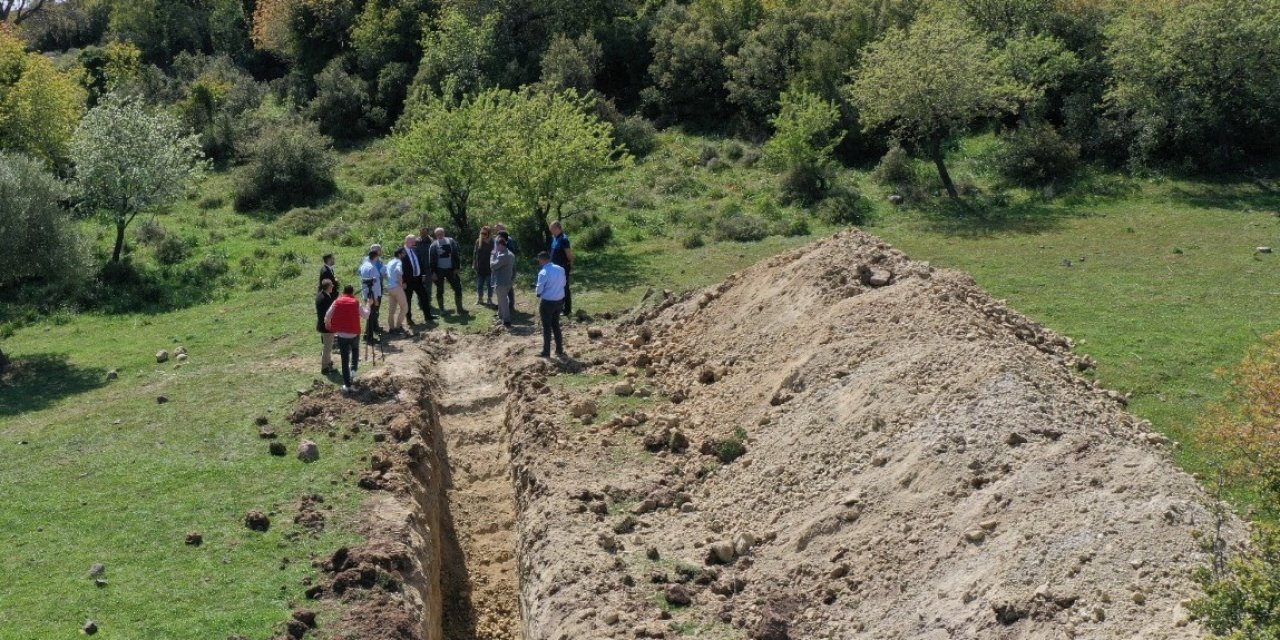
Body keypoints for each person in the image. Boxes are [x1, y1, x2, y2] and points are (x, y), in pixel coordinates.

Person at [324, 284, 370, 392]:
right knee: (355, 351)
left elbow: (328, 315)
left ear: (343, 292)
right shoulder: (355, 302)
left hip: (341, 335)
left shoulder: (337, 301)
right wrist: (368, 304)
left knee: (344, 360)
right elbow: (366, 315)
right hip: (354, 334)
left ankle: (347, 385)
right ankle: (353, 369)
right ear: (352, 292)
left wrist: (327, 324)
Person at [535, 250, 567, 357]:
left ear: (542, 260)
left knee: (547, 327)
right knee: (556, 325)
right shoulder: (560, 269)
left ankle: (546, 351)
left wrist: (538, 294)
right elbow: (563, 283)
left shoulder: (543, 272)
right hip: (559, 301)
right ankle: (559, 349)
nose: (539, 262)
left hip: (548, 302)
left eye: (539, 260)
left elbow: (539, 289)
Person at [429, 227, 465, 315]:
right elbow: (431, 260)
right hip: (439, 271)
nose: (440, 236)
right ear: (435, 235)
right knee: (440, 290)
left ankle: (460, 309)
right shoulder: (433, 245)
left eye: (441, 234)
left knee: (458, 287)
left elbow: (456, 255)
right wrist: (433, 273)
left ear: (444, 233)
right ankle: (442, 310)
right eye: (438, 234)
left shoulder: (451, 242)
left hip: (451, 270)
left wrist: (457, 268)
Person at [549, 221, 575, 316]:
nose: (551, 231)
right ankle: (559, 307)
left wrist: (571, 267)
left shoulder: (564, 239)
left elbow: (569, 255)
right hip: (555, 269)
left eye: (552, 229)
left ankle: (567, 310)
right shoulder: (555, 238)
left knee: (565, 288)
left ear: (557, 228)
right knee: (558, 288)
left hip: (563, 268)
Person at [401, 235, 428, 325]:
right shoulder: (401, 252)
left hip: (418, 279)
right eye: (413, 242)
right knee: (408, 300)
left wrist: (423, 274)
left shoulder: (415, 250)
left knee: (424, 296)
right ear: (407, 241)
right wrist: (403, 281)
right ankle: (409, 319)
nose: (415, 243)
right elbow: (400, 269)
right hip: (408, 281)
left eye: (414, 241)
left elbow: (420, 262)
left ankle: (428, 316)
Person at [359, 246, 383, 343]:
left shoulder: (363, 266)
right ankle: (369, 337)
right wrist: (376, 298)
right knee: (372, 315)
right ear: (376, 257)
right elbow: (375, 285)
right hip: (372, 295)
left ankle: (367, 334)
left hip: (366, 293)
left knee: (370, 314)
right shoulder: (372, 268)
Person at [490, 237, 515, 327]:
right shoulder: (510, 253)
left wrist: (492, 256)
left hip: (502, 281)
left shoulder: (504, 255)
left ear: (500, 245)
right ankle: (500, 316)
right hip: (507, 280)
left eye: (497, 246)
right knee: (501, 299)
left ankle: (507, 320)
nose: (496, 248)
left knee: (503, 300)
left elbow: (493, 266)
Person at [414, 227, 436, 321]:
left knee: (429, 287)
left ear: (427, 232)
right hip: (419, 268)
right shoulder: (416, 242)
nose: (423, 233)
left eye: (425, 232)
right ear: (420, 233)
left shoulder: (431, 241)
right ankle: (420, 304)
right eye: (422, 232)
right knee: (420, 287)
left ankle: (428, 303)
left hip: (429, 268)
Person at [315, 279, 337, 374]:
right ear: (328, 287)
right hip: (326, 327)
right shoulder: (325, 299)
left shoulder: (321, 295)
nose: (333, 286)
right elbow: (330, 313)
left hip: (322, 325)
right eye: (331, 285)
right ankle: (324, 368)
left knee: (327, 346)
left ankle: (328, 364)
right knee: (327, 348)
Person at [385, 248, 409, 334]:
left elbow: (383, 273)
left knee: (391, 310)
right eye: (403, 253)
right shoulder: (399, 262)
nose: (405, 254)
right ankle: (398, 327)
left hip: (390, 288)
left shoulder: (390, 262)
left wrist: (390, 280)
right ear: (399, 254)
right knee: (405, 307)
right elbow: (398, 271)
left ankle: (391, 328)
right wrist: (401, 283)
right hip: (397, 287)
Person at [495, 229, 516, 312]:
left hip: (508, 271)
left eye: (498, 236)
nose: (497, 238)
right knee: (507, 288)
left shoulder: (507, 248)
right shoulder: (504, 246)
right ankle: (506, 306)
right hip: (507, 270)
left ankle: (509, 306)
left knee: (507, 288)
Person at [474, 226, 494, 306]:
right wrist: (474, 264)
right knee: (479, 285)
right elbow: (475, 254)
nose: (483, 234)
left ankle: (489, 299)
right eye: (481, 233)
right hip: (480, 267)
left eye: (484, 233)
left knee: (489, 284)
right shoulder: (478, 241)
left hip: (490, 267)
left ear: (488, 234)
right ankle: (480, 299)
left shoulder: (492, 242)